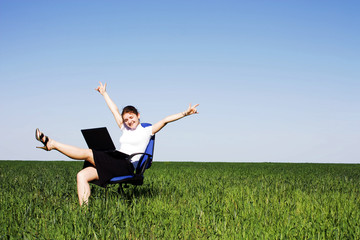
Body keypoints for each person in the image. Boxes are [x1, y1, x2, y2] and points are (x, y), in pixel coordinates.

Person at [35, 82, 199, 206]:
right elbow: (114, 110)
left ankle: (53, 144)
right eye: (126, 119)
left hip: (127, 164)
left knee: (88, 153)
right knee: (82, 176)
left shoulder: (147, 130)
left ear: (138, 115)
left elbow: (165, 120)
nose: (129, 121)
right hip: (115, 161)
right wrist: (104, 93)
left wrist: (185, 113)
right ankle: (83, 214)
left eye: (131, 117)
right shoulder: (124, 128)